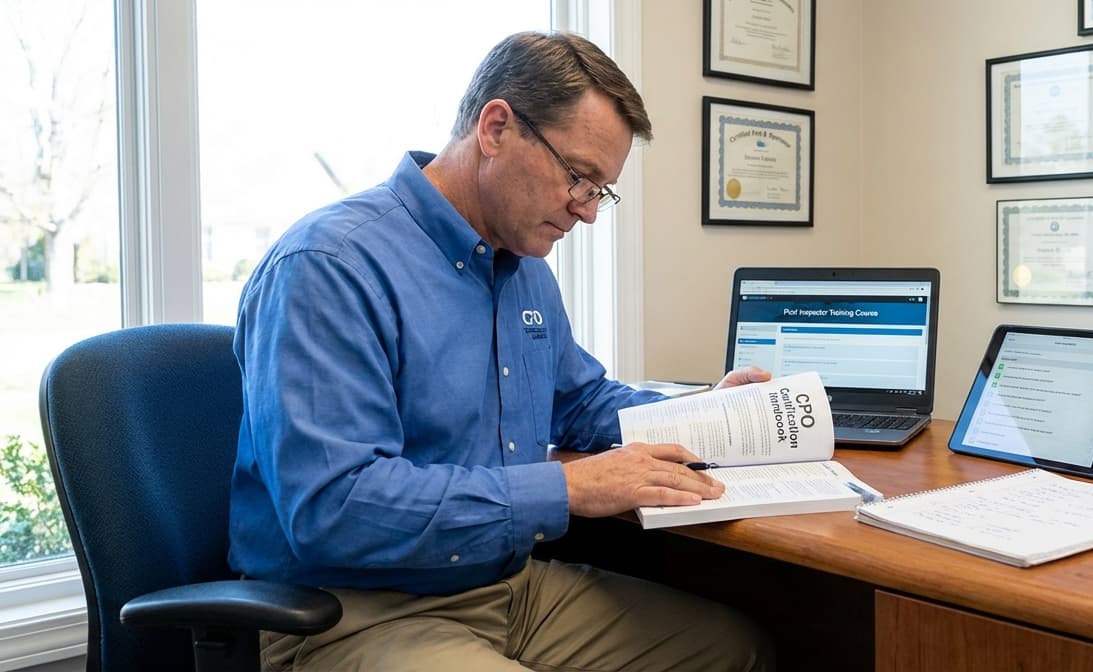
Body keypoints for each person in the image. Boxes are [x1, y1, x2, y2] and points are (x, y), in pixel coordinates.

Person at [229, 31, 774, 671]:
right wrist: (564, 488)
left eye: (601, 189)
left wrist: (704, 413)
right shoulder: (328, 267)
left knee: (734, 649)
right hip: (347, 614)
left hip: (504, 589)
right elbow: (334, 507)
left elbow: (581, 401)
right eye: (579, 178)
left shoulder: (522, 263)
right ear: (495, 128)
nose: (588, 211)